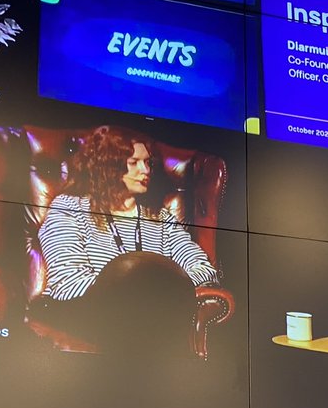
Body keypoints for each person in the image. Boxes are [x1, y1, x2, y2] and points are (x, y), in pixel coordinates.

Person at [34, 125, 219, 351]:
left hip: (153, 319)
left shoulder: (160, 218)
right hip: (86, 315)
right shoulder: (70, 207)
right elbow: (69, 281)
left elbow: (201, 267)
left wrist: (161, 294)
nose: (145, 170)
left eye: (148, 162)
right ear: (108, 165)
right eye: (134, 162)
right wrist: (133, 291)